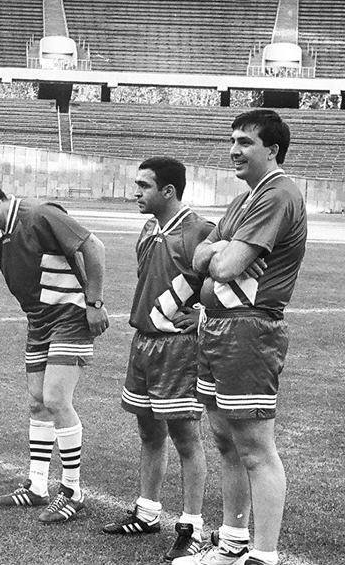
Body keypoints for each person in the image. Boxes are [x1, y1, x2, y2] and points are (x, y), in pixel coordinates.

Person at [181, 110, 307, 565]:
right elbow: (199, 256)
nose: (234, 150)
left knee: (255, 449)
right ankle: (232, 543)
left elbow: (225, 267)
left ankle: (263, 555)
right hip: (216, 326)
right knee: (226, 441)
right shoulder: (244, 199)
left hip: (249, 329)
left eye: (245, 142)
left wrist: (218, 253)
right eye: (232, 140)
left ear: (272, 150)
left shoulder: (278, 193)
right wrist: (215, 251)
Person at [0, 178, 108, 518]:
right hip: (39, 322)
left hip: (69, 315)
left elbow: (93, 245)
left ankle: (72, 491)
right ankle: (37, 486)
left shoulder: (39, 214)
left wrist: (95, 302)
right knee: (37, 402)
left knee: (55, 399)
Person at [100, 157, 212, 561]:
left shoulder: (200, 230)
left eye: (144, 186)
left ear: (168, 191)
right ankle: (147, 513)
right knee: (149, 432)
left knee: (185, 438)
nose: (136, 193)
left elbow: (230, 279)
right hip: (143, 342)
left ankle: (191, 526)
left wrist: (202, 314)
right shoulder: (149, 229)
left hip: (177, 349)